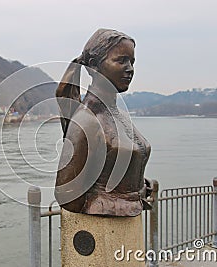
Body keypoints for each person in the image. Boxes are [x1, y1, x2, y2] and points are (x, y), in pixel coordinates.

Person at [55, 29, 152, 217]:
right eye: (121, 60)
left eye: (132, 62)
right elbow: (67, 195)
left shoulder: (119, 115)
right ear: (94, 66)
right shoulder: (87, 120)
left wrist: (137, 186)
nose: (130, 68)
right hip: (102, 229)